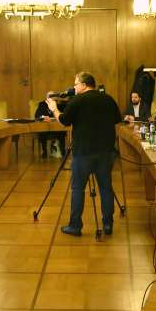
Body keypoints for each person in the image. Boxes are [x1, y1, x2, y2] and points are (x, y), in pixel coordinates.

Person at [47, 72, 120, 236]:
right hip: (106, 152)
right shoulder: (108, 99)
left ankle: (75, 226)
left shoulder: (78, 100)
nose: (74, 87)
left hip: (84, 153)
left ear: (85, 84)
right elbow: (117, 119)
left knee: (78, 188)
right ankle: (108, 225)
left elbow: (64, 121)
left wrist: (54, 109)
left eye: (76, 84)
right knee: (106, 189)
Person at [34, 92, 66, 158]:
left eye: (52, 96)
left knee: (62, 131)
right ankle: (44, 151)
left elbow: (63, 114)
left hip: (57, 127)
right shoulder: (42, 104)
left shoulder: (59, 104)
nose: (51, 98)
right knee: (42, 131)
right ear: (47, 97)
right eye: (49, 96)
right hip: (45, 126)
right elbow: (37, 115)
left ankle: (62, 151)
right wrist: (43, 117)